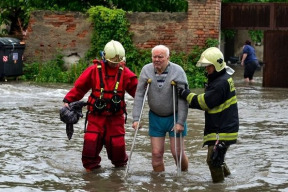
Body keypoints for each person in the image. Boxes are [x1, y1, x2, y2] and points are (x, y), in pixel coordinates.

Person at [62, 40, 138, 172]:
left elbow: (139, 92)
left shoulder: (125, 73)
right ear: (105, 57)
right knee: (90, 147)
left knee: (118, 149)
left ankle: (117, 180)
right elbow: (79, 88)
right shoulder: (93, 71)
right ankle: (91, 179)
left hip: (115, 119)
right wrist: (68, 100)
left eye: (118, 62)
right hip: (95, 117)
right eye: (113, 62)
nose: (115, 65)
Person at [178, 47, 239, 183]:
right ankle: (229, 180)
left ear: (216, 65)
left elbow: (205, 102)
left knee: (213, 160)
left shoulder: (220, 83)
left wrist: (185, 94)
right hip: (223, 127)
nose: (206, 69)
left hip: (221, 130)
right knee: (217, 158)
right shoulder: (222, 77)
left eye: (209, 66)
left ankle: (218, 187)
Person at [132, 45, 189, 172]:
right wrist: (136, 118)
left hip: (174, 116)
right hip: (156, 117)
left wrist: (180, 122)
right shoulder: (146, 70)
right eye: (154, 57)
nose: (156, 59)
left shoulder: (178, 71)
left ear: (168, 58)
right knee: (156, 154)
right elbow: (139, 94)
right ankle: (159, 184)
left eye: (160, 57)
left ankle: (184, 177)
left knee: (177, 154)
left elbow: (183, 98)